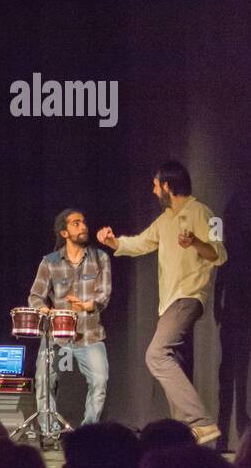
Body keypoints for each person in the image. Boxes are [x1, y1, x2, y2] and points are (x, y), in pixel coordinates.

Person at [97, 160, 227, 445]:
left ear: (168, 186)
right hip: (168, 304)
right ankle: (184, 440)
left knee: (156, 355)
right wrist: (114, 242)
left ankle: (199, 422)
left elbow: (218, 253)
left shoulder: (202, 212)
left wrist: (194, 242)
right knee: (173, 365)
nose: (154, 191)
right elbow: (140, 243)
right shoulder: (164, 220)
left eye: (156, 185)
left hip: (189, 296)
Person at [27, 208, 112, 430]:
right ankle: (50, 432)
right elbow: (35, 296)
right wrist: (45, 310)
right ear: (64, 232)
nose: (83, 226)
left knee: (100, 382)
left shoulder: (100, 258)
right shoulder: (50, 261)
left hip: (90, 334)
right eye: (76, 223)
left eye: (84, 222)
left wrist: (89, 305)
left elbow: (104, 294)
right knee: (44, 381)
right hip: (57, 336)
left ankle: (87, 432)